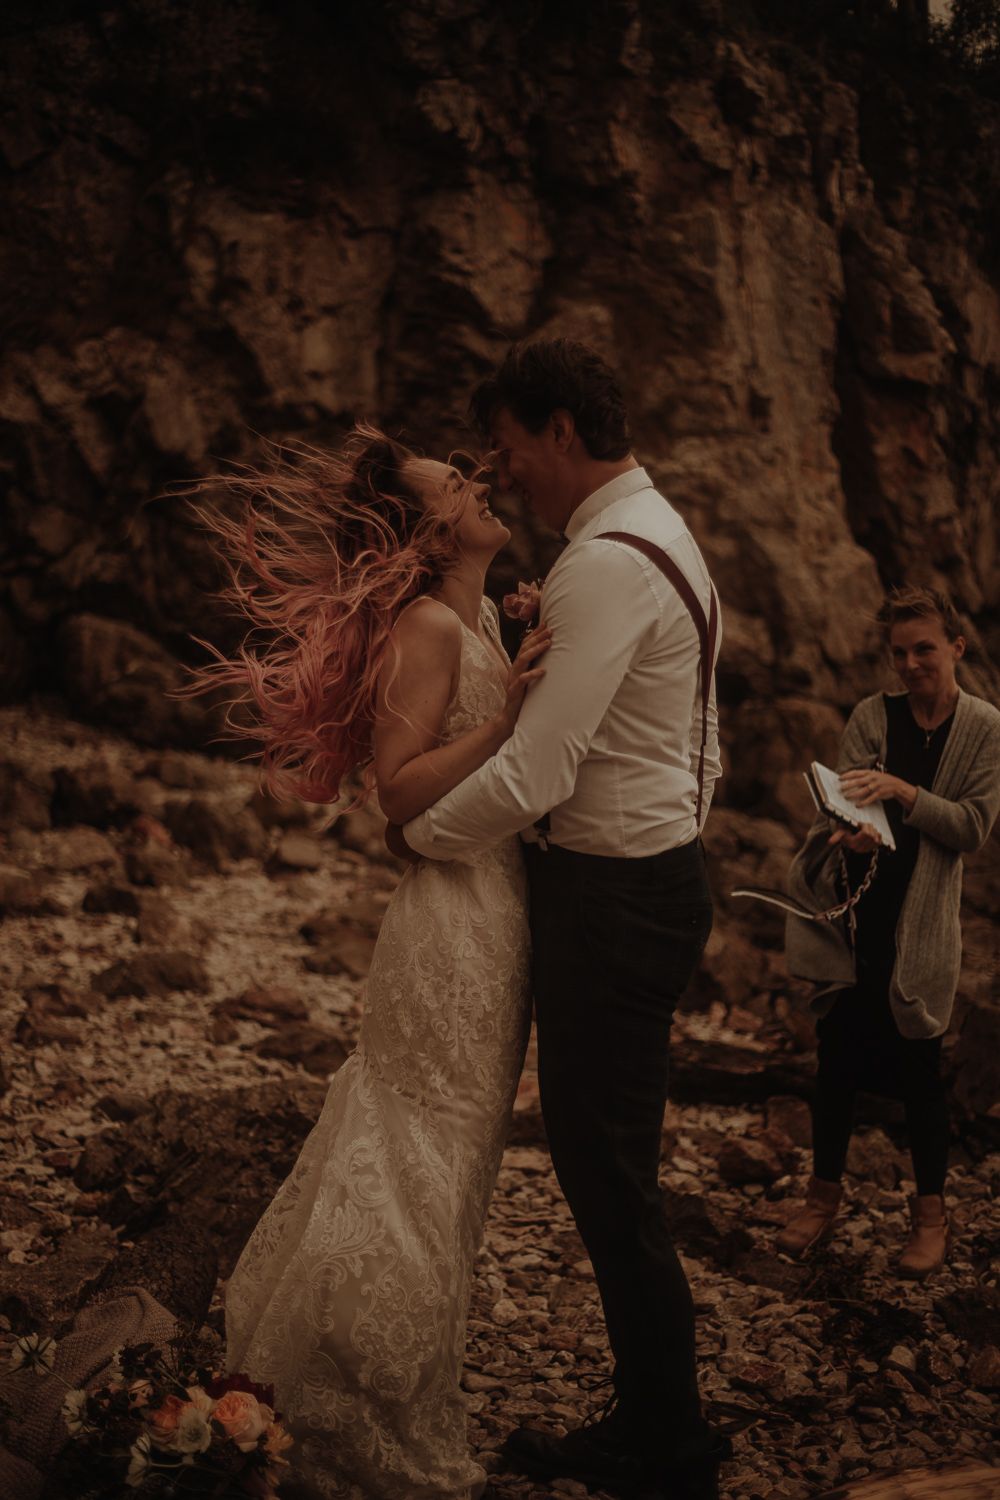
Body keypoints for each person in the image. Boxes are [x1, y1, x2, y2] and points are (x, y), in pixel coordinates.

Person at [189, 426, 550, 1500]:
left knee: (455, 1159)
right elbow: (397, 790)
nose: (478, 486)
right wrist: (512, 716)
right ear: (427, 533)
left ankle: (396, 1380)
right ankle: (357, 1400)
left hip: (494, 915)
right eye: (455, 486)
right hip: (448, 930)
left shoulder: (481, 617)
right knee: (414, 1152)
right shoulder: (428, 624)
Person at [398, 339, 731, 1500]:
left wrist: (419, 836)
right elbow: (698, 736)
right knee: (609, 1168)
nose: (499, 469)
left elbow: (538, 773)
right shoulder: (658, 535)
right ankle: (655, 1417)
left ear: (559, 431)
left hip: (613, 902)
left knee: (608, 1177)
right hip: (648, 878)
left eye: (506, 445)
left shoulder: (605, 564)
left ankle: (667, 1443)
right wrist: (674, 824)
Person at [781, 586, 1000, 1276]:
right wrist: (851, 834)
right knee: (836, 1064)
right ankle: (821, 1200)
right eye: (898, 653)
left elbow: (972, 827)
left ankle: (931, 1218)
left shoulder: (985, 726)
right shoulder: (872, 715)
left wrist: (904, 793)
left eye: (923, 649)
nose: (909, 665)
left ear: (956, 647)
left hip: (924, 926)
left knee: (919, 1073)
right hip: (858, 918)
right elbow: (841, 808)